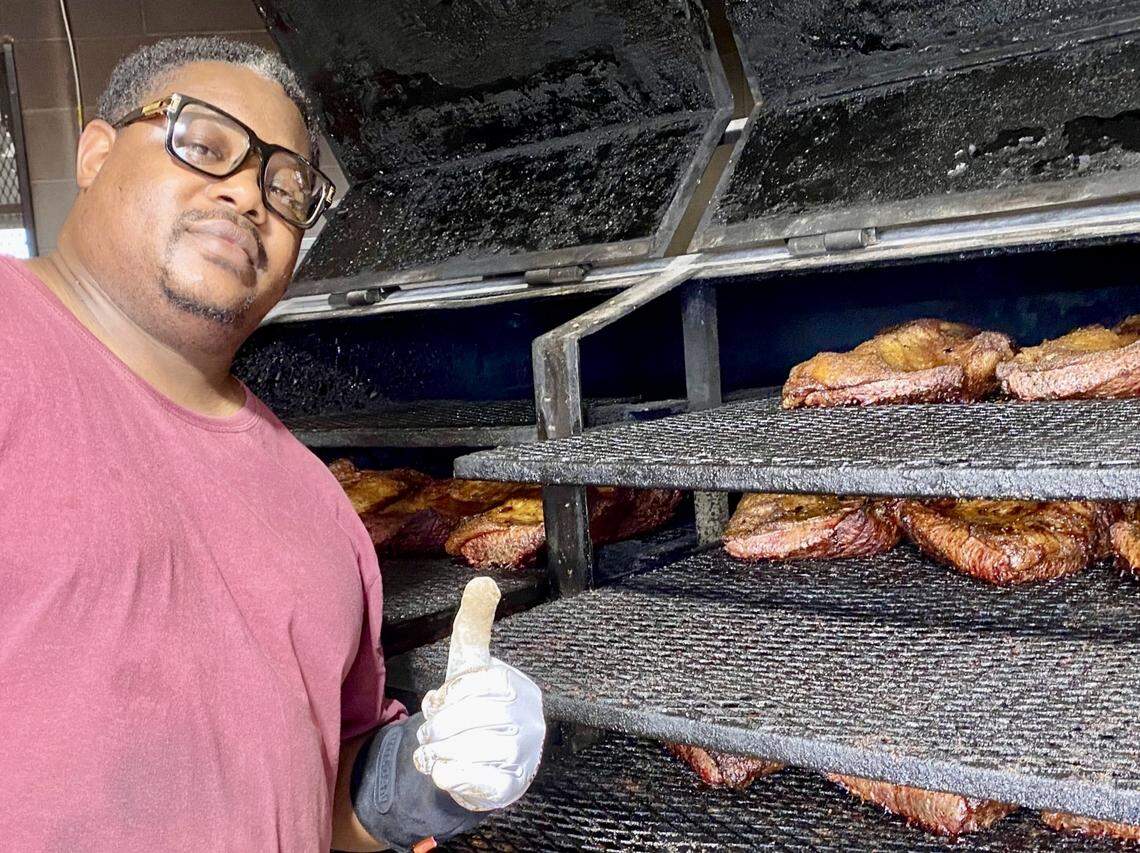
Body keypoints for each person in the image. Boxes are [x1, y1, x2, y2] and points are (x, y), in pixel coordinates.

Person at [0, 37, 545, 852]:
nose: (248, 198)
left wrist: (432, 779)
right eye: (205, 144)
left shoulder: (318, 502)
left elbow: (326, 789)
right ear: (97, 151)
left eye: (284, 187)